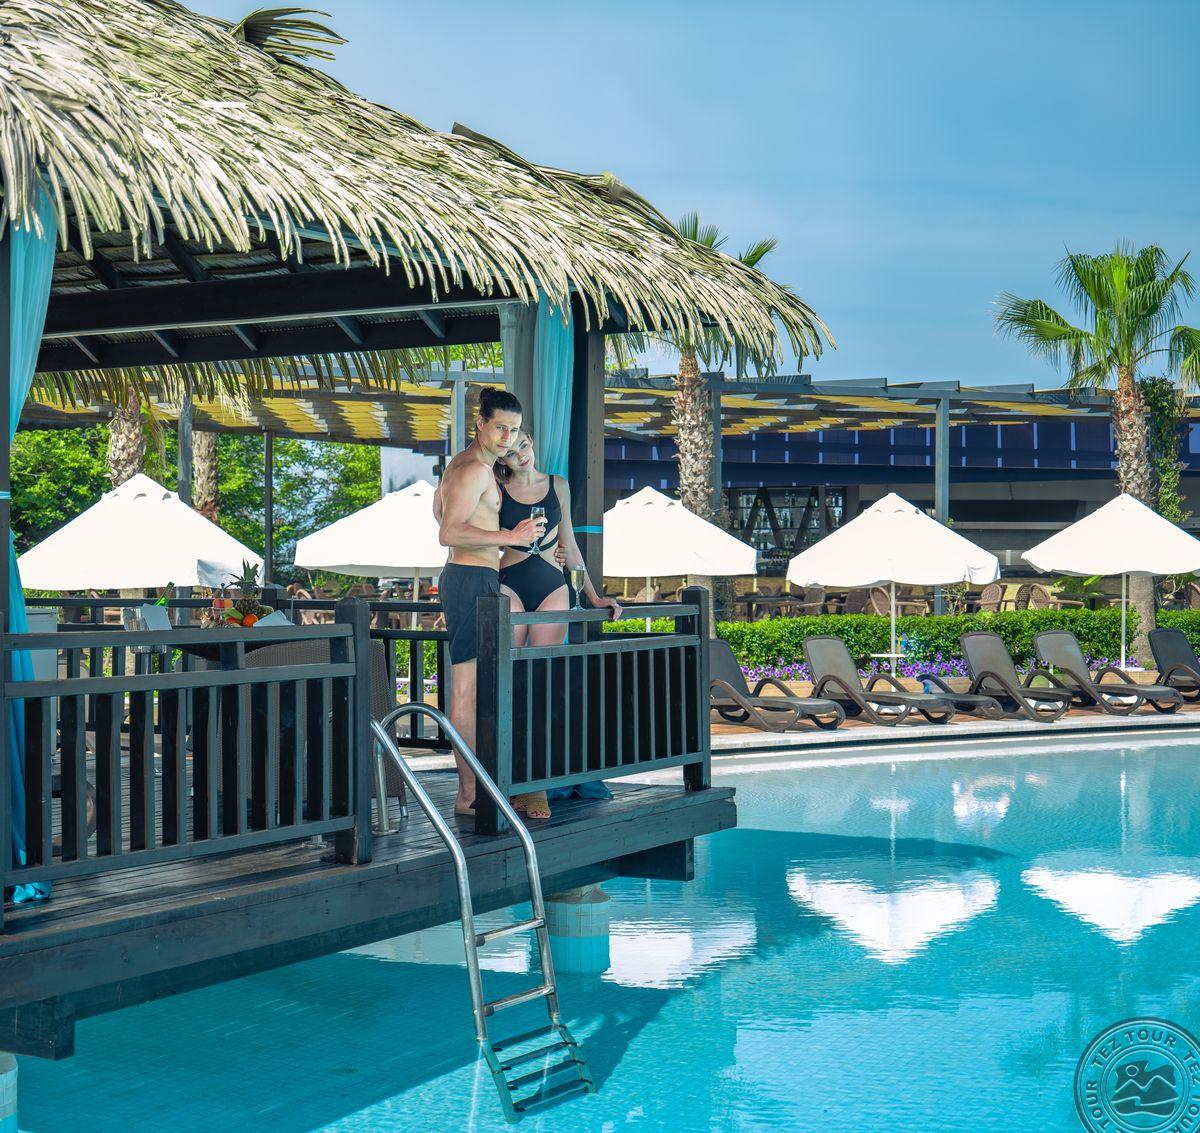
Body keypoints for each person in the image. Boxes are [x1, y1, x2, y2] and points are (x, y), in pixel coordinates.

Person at [496, 429, 623, 817]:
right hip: (509, 584)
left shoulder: (557, 485)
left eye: (524, 445)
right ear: (501, 458)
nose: (521, 455)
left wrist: (595, 597)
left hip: (552, 586)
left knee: (543, 685)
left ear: (532, 443)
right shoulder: (497, 490)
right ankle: (507, 777)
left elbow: (570, 541)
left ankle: (536, 785)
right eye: (511, 452)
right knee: (510, 683)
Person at [433, 388, 544, 820]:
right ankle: (468, 794)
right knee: (466, 689)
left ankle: (477, 787)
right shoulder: (472, 470)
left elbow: (442, 513)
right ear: (480, 423)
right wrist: (509, 537)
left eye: (513, 430)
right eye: (500, 427)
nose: (506, 438)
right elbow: (447, 531)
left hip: (474, 577)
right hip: (468, 580)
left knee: (477, 688)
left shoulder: (467, 467)